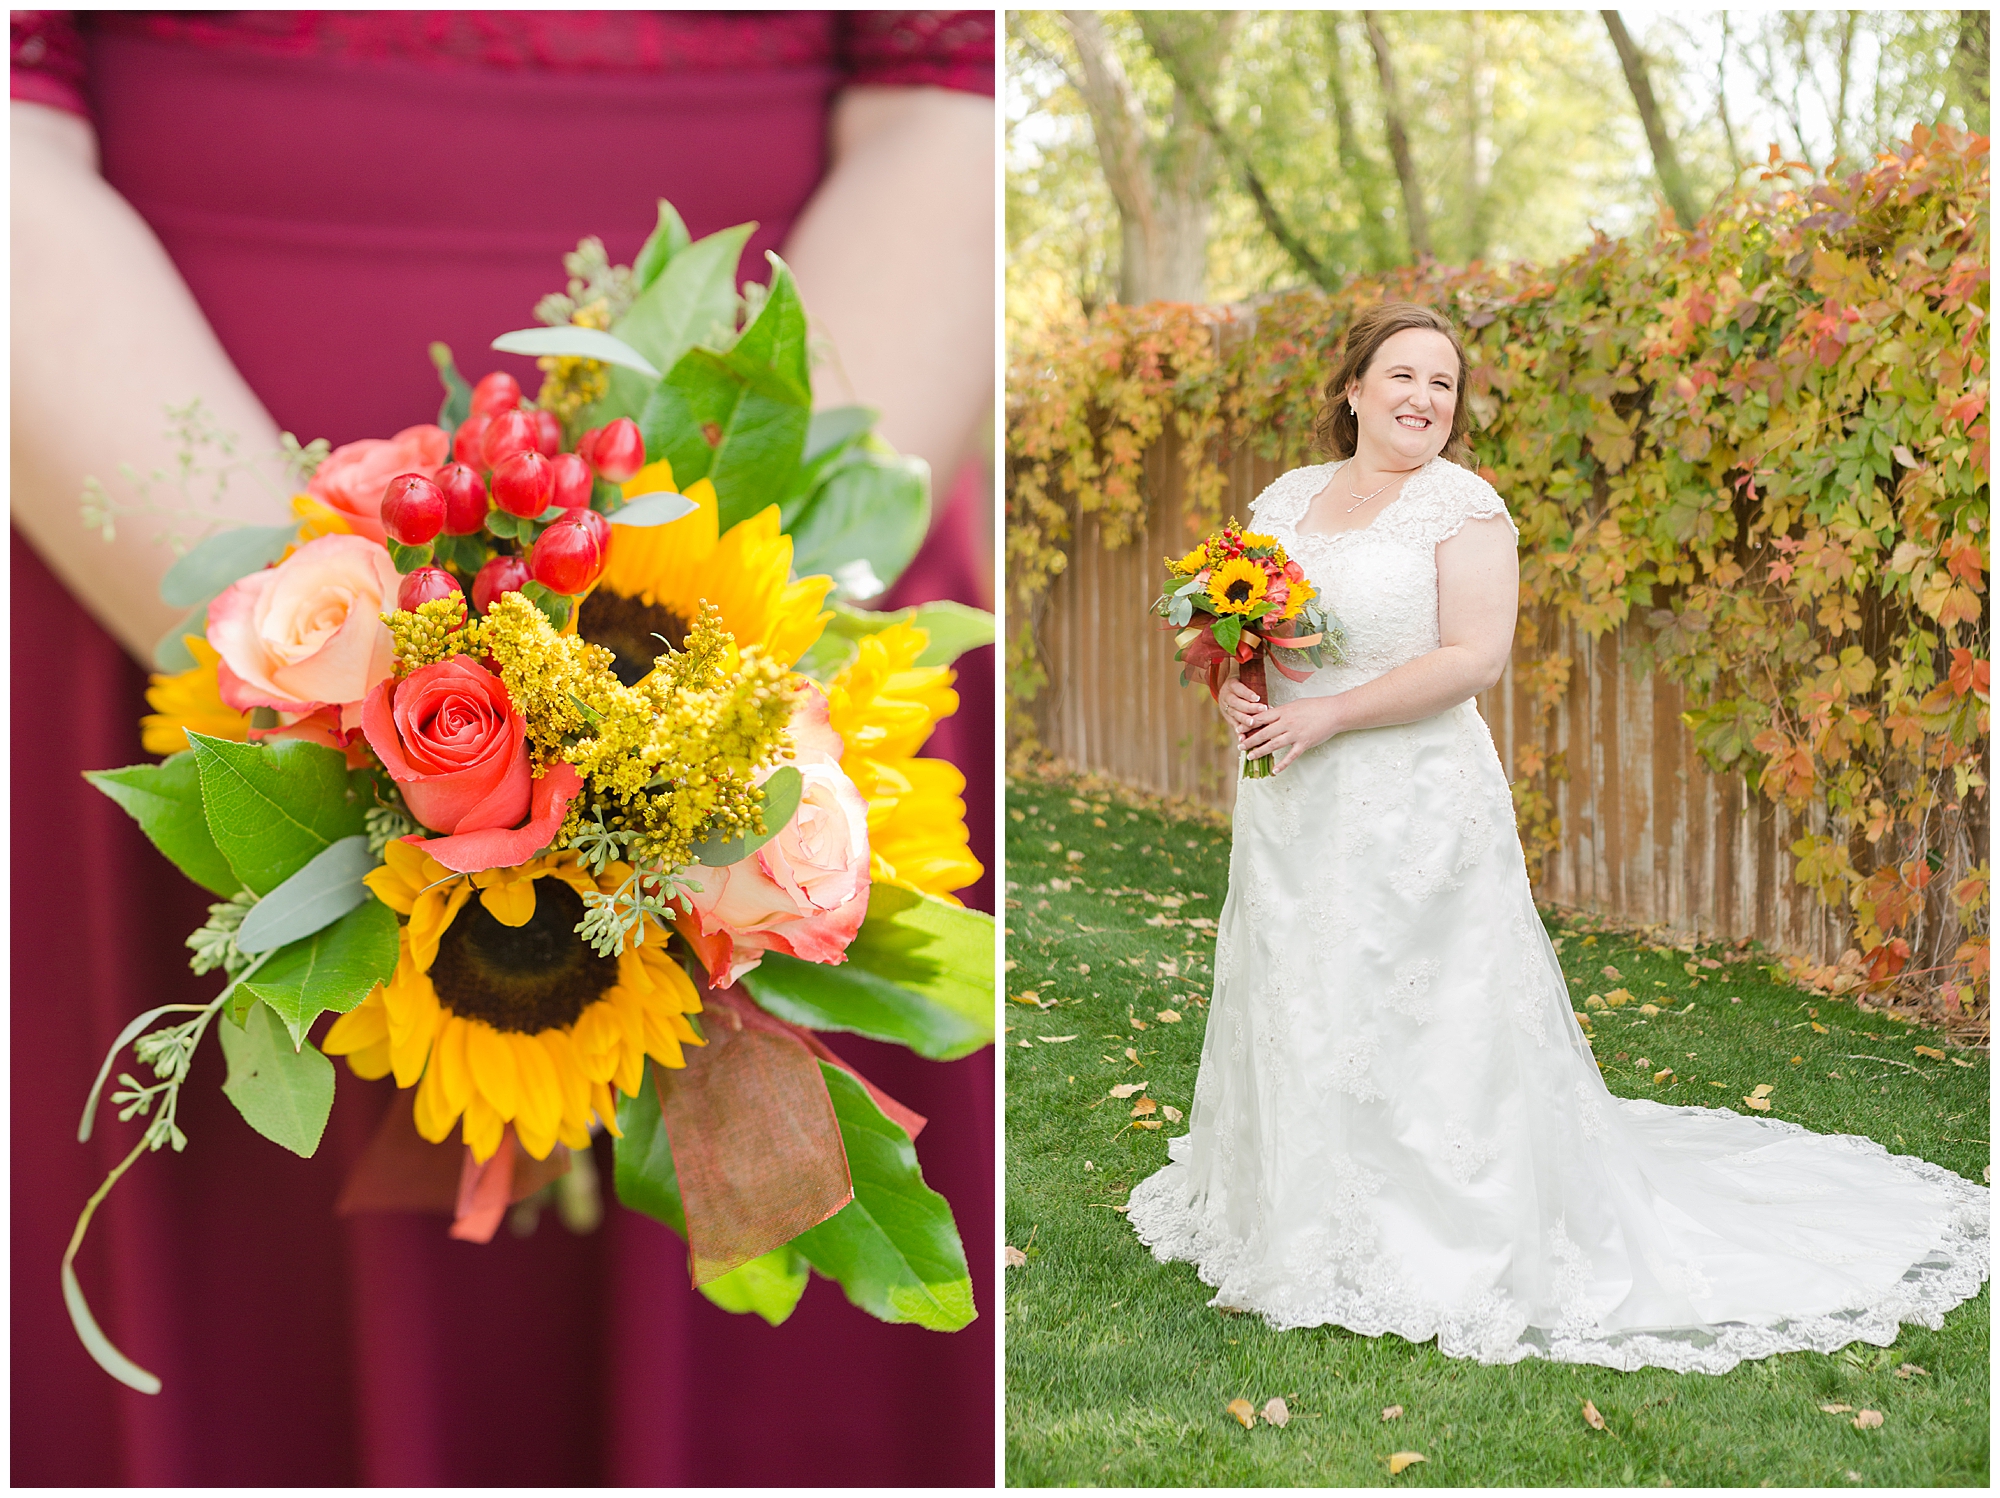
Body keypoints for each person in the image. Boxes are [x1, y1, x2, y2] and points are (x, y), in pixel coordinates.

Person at [11, 12, 993, 1485]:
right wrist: (311, 691)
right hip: (134, 539)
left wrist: (688, 734)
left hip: (758, 594)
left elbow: (952, 79)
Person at [1124, 302, 1988, 1372]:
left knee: (1421, 1001)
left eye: (1440, 384)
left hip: (1413, 801)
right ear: (1350, 389)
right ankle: (1296, 1210)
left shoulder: (1464, 508)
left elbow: (1472, 659)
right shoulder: (1285, 499)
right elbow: (1238, 632)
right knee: (1296, 982)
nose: (1420, 399)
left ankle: (1439, 1229)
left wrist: (1329, 713)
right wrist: (1241, 699)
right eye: (1399, 376)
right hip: (1292, 798)